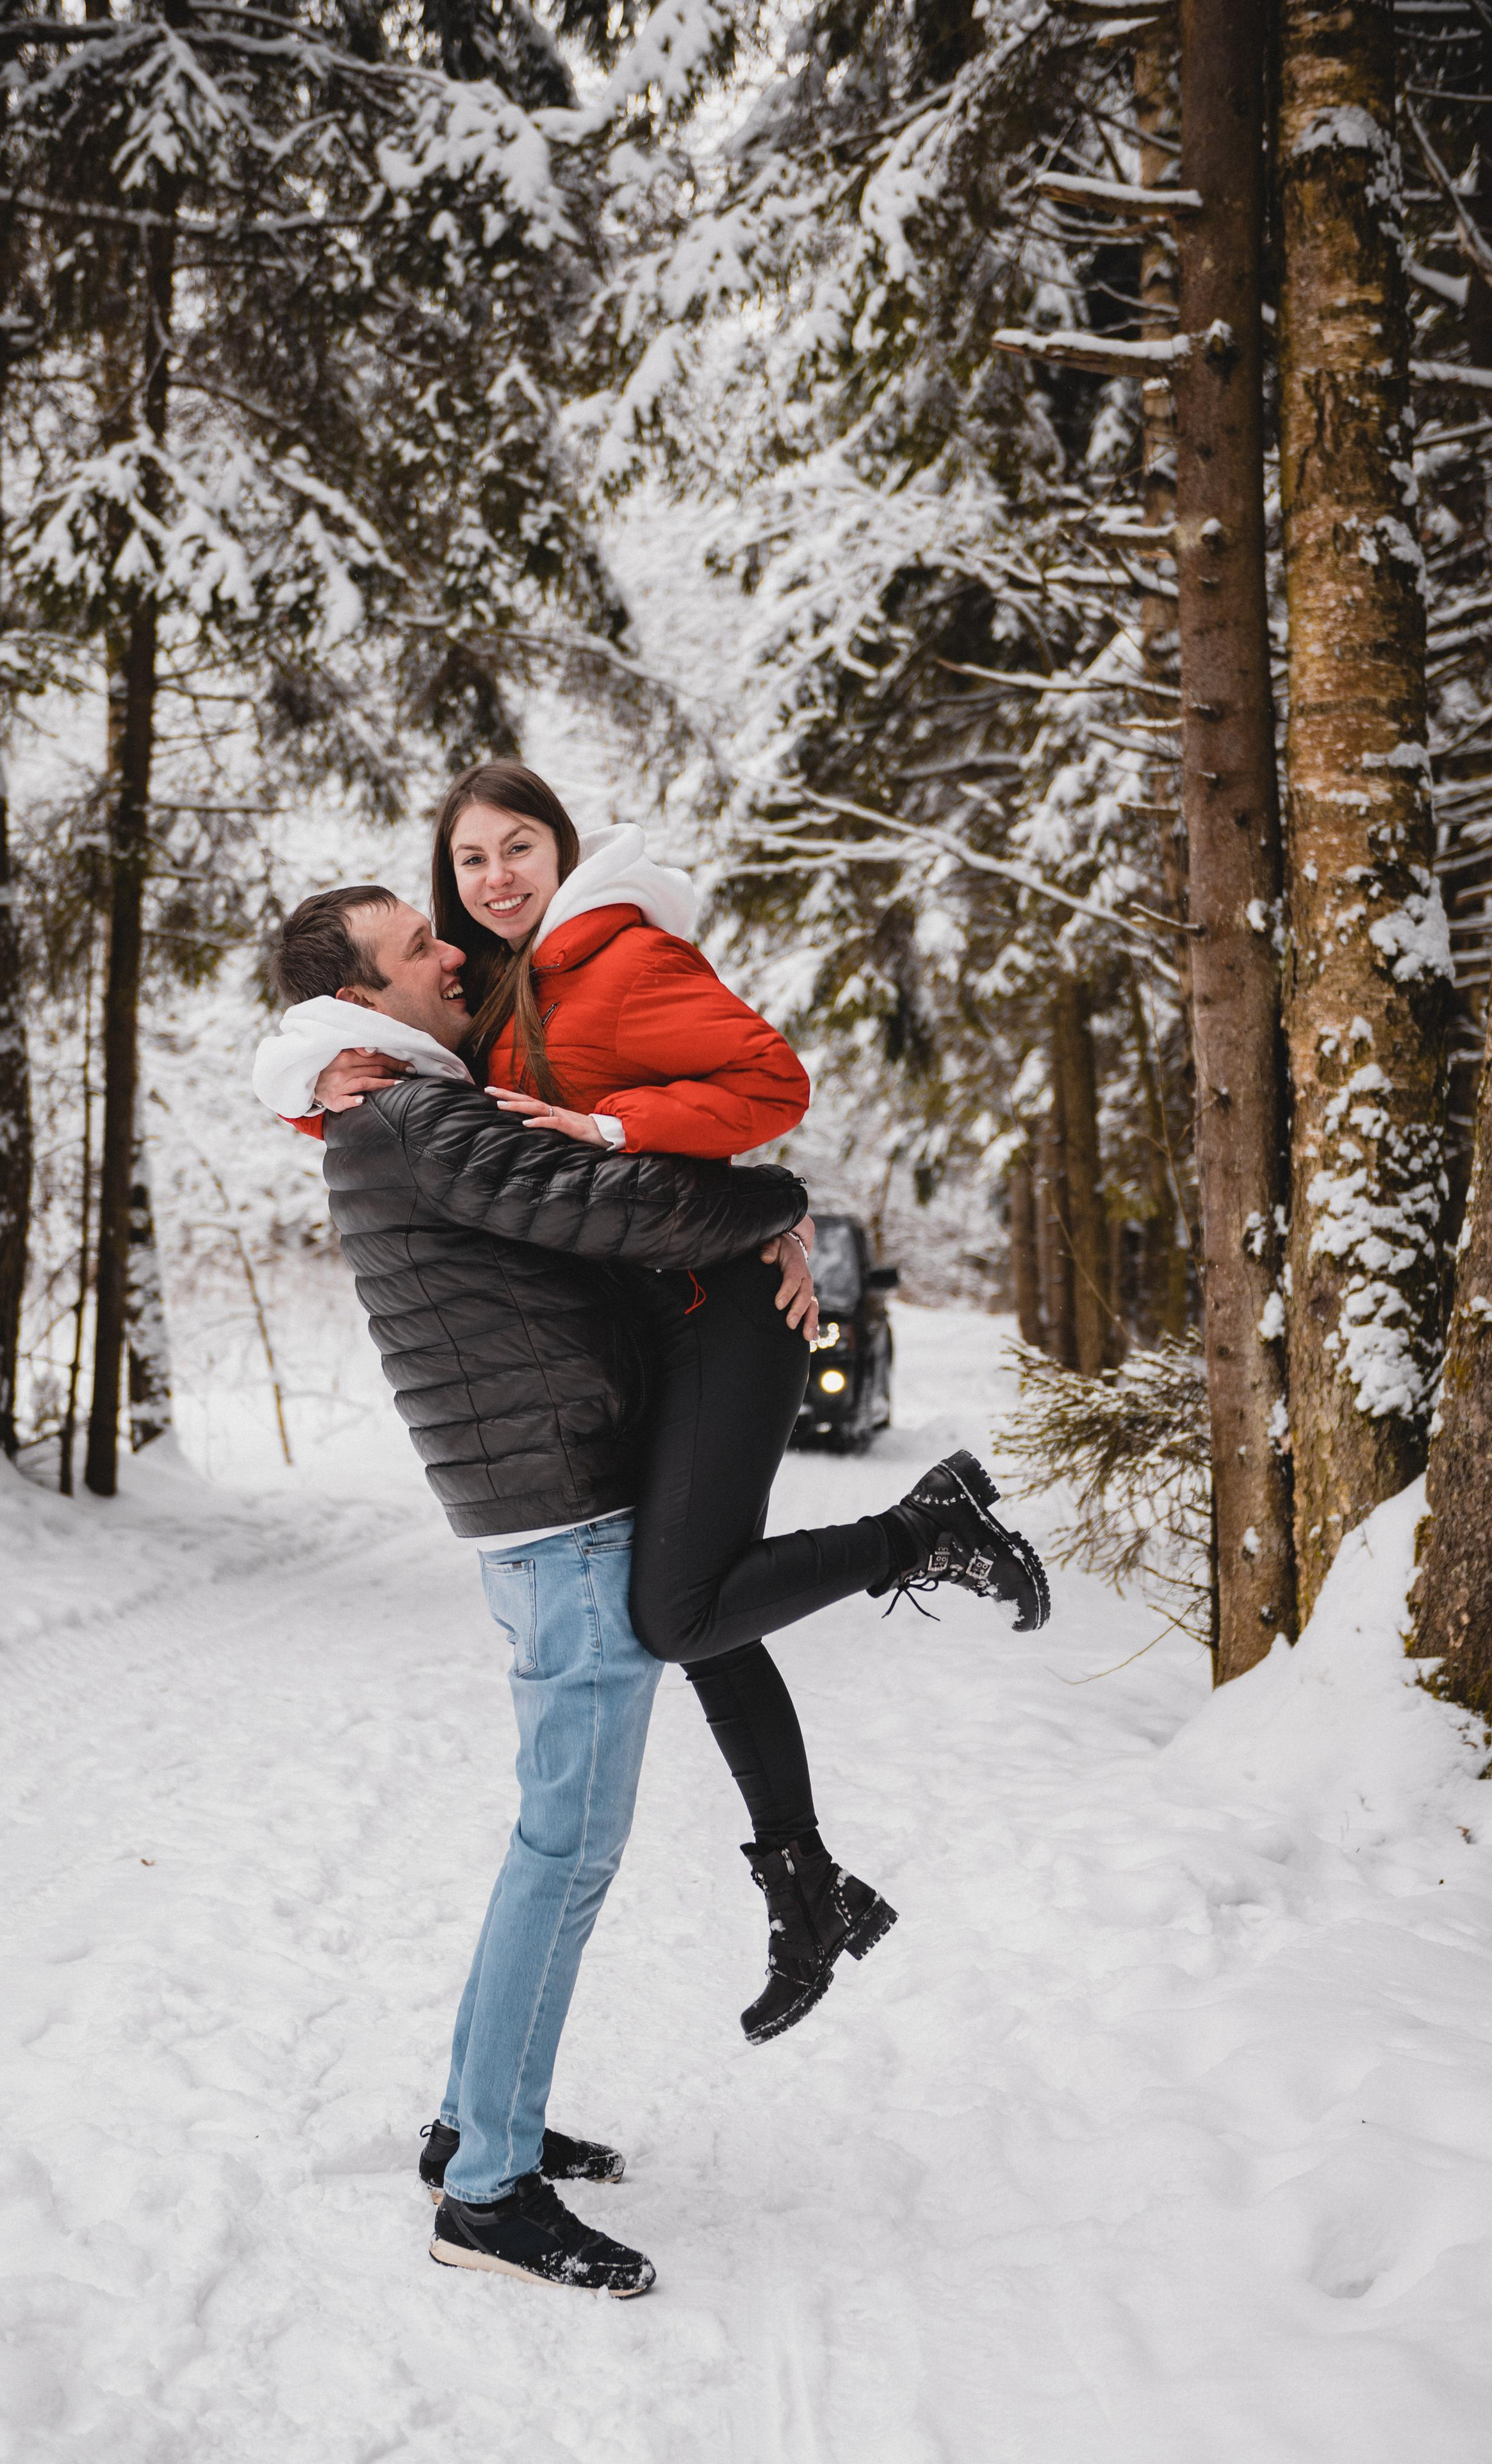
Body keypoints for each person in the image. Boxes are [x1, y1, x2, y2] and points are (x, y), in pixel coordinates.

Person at [257, 885, 1047, 2296]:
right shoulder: (417, 1117)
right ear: (362, 1000)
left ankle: (474, 2123)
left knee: (554, 1845)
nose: (452, 950)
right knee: (561, 1852)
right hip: (554, 1518)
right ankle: (488, 2192)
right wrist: (776, 1198)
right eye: (417, 946)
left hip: (537, 1508)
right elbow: (597, 1200)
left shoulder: (386, 1113)